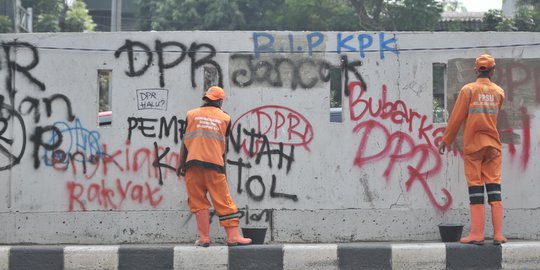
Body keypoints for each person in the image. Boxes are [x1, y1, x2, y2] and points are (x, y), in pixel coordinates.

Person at [438, 54, 507, 245]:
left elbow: (457, 118)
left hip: (473, 146)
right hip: (493, 146)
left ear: (476, 70)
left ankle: (477, 234)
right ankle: (498, 234)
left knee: (476, 190)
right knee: (495, 189)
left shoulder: (468, 90)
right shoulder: (499, 92)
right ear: (493, 70)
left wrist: (446, 140)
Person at [178, 86, 252, 247]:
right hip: (214, 166)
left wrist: (180, 163)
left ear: (206, 98)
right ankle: (233, 236)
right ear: (220, 101)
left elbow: (185, 141)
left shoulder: (191, 114)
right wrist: (223, 168)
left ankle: (204, 238)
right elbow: (223, 147)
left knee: (198, 201)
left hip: (192, 164)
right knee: (223, 200)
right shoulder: (225, 118)